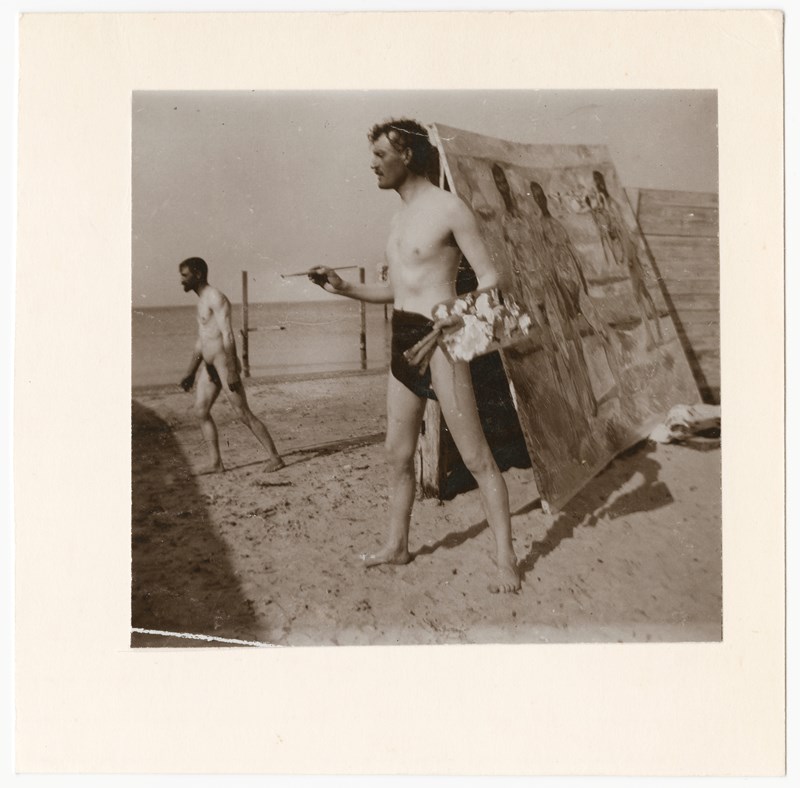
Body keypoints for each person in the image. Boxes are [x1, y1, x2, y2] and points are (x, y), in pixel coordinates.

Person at [309, 119, 519, 593]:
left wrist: (458, 312)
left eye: (380, 155)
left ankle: (506, 559)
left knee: (476, 457)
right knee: (397, 453)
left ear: (406, 154)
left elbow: (491, 278)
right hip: (404, 336)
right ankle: (397, 545)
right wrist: (343, 288)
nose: (372, 164)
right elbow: (399, 290)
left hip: (440, 339)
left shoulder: (449, 208)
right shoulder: (398, 219)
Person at [178, 256, 284, 474]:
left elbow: (228, 334)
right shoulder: (201, 301)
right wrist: (190, 372)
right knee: (200, 411)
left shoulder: (216, 297)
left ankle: (275, 458)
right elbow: (202, 340)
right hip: (209, 366)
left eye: (185, 276)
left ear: (198, 274)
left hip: (224, 364)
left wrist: (233, 369)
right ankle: (216, 463)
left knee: (242, 412)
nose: (182, 280)